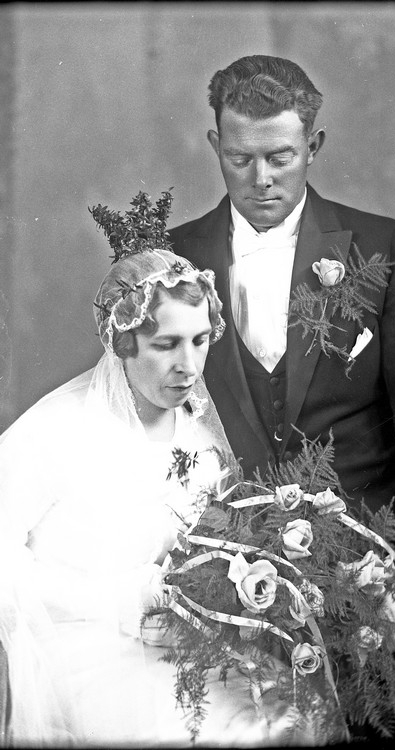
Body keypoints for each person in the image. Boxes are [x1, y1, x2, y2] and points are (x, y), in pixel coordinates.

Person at [168, 55, 395, 738]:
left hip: (367, 575)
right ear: (215, 145)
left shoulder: (382, 247)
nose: (261, 179)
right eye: (240, 158)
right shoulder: (174, 256)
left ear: (315, 144)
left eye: (280, 156)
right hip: (223, 579)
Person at [0, 191, 303, 747]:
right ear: (122, 343)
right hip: (81, 648)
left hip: (179, 646)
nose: (188, 366)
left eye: (200, 341)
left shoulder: (202, 441)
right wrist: (116, 601)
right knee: (204, 733)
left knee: (286, 714)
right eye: (166, 344)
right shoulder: (55, 430)